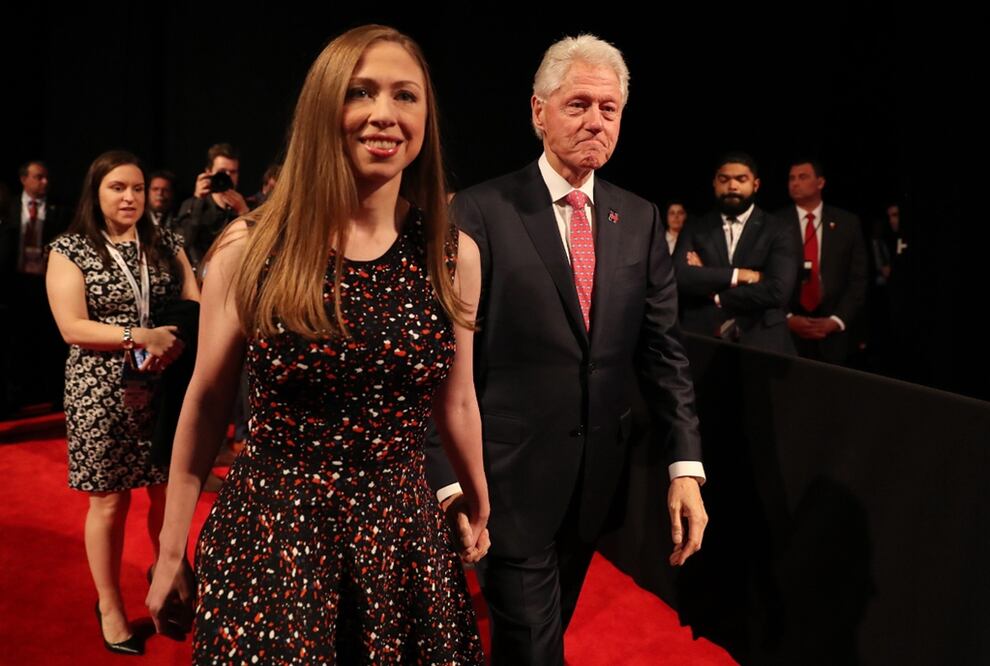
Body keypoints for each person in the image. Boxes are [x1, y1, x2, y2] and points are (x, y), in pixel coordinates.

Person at [147, 25, 489, 664]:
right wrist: (171, 551)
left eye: (404, 96)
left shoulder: (453, 254)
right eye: (360, 93)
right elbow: (207, 402)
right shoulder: (249, 248)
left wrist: (477, 493)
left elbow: (459, 399)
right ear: (322, 108)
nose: (383, 114)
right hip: (273, 538)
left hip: (403, 542)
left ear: (425, 117)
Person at [426, 34, 707, 665]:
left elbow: (665, 353)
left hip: (592, 490)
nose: (595, 121)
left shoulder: (637, 217)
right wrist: (447, 481)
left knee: (534, 639)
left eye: (609, 110)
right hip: (503, 483)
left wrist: (684, 467)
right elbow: (440, 360)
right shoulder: (480, 209)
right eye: (578, 104)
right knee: (532, 646)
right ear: (537, 110)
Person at [45, 150, 200, 655]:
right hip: (100, 388)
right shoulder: (70, 249)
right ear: (97, 192)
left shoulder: (166, 241)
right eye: (117, 188)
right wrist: (140, 336)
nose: (129, 197)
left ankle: (168, 584)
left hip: (165, 380)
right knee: (109, 502)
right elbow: (71, 326)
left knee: (164, 492)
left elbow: (195, 300)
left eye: (136, 187)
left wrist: (169, 341)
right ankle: (109, 604)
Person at [674, 153, 801, 354]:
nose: (732, 186)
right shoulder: (695, 227)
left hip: (762, 341)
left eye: (741, 179)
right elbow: (680, 276)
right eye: (724, 179)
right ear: (714, 183)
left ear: (755, 184)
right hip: (702, 339)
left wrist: (716, 293)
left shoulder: (779, 229)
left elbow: (778, 290)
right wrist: (741, 275)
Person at [780, 159, 867, 364]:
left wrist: (836, 320)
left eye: (803, 177)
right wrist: (787, 318)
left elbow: (858, 279)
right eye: (791, 178)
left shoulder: (847, 223)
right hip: (787, 334)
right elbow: (766, 277)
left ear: (820, 183)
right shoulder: (774, 224)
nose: (795, 183)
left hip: (834, 335)